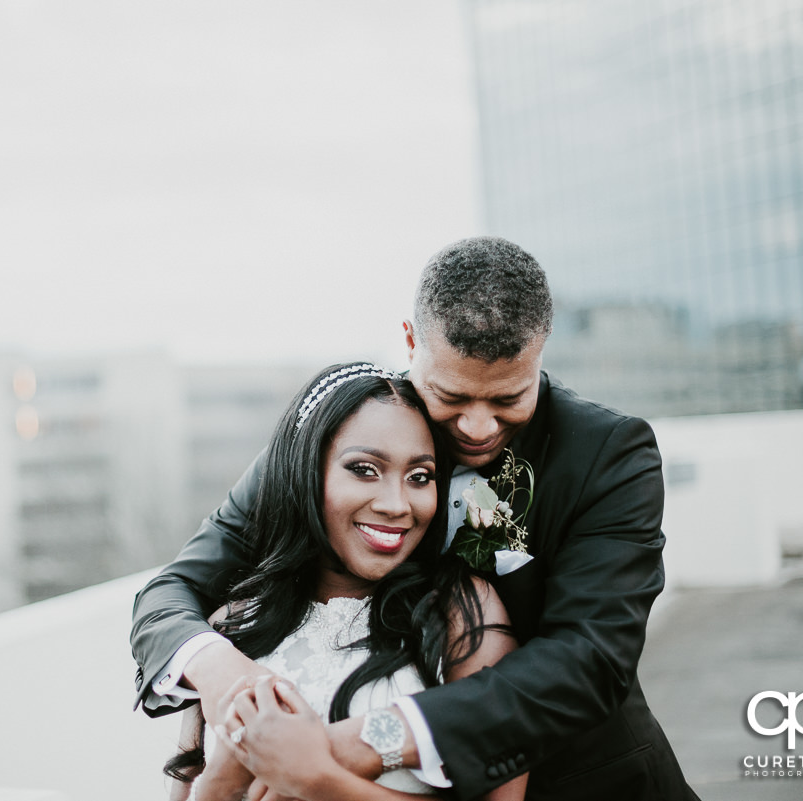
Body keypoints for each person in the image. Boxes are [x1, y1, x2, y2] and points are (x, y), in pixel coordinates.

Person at [133, 237, 699, 801]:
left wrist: (348, 748)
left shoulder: (609, 453)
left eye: (508, 398)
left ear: (542, 350)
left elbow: (590, 659)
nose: (478, 428)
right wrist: (223, 671)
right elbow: (173, 590)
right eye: (451, 396)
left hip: (593, 783)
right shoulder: (349, 432)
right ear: (410, 340)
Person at [164, 362, 526, 800]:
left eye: (419, 477)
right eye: (364, 469)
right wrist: (220, 786)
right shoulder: (235, 624)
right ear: (305, 471)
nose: (397, 504)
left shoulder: (461, 614)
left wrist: (319, 781)